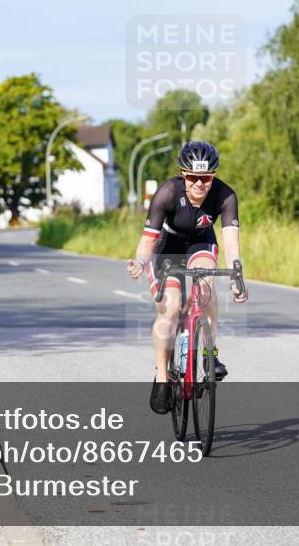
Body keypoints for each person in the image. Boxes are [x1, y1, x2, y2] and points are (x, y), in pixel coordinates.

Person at [125, 141, 248, 414]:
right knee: (170, 307)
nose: (199, 184)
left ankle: (209, 353)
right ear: (183, 174)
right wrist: (140, 262)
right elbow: (147, 241)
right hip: (166, 246)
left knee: (205, 288)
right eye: (193, 177)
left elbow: (231, 243)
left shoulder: (226, 196)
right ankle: (161, 376)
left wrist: (236, 276)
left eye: (206, 178)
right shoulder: (168, 193)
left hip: (200, 242)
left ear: (213, 176)